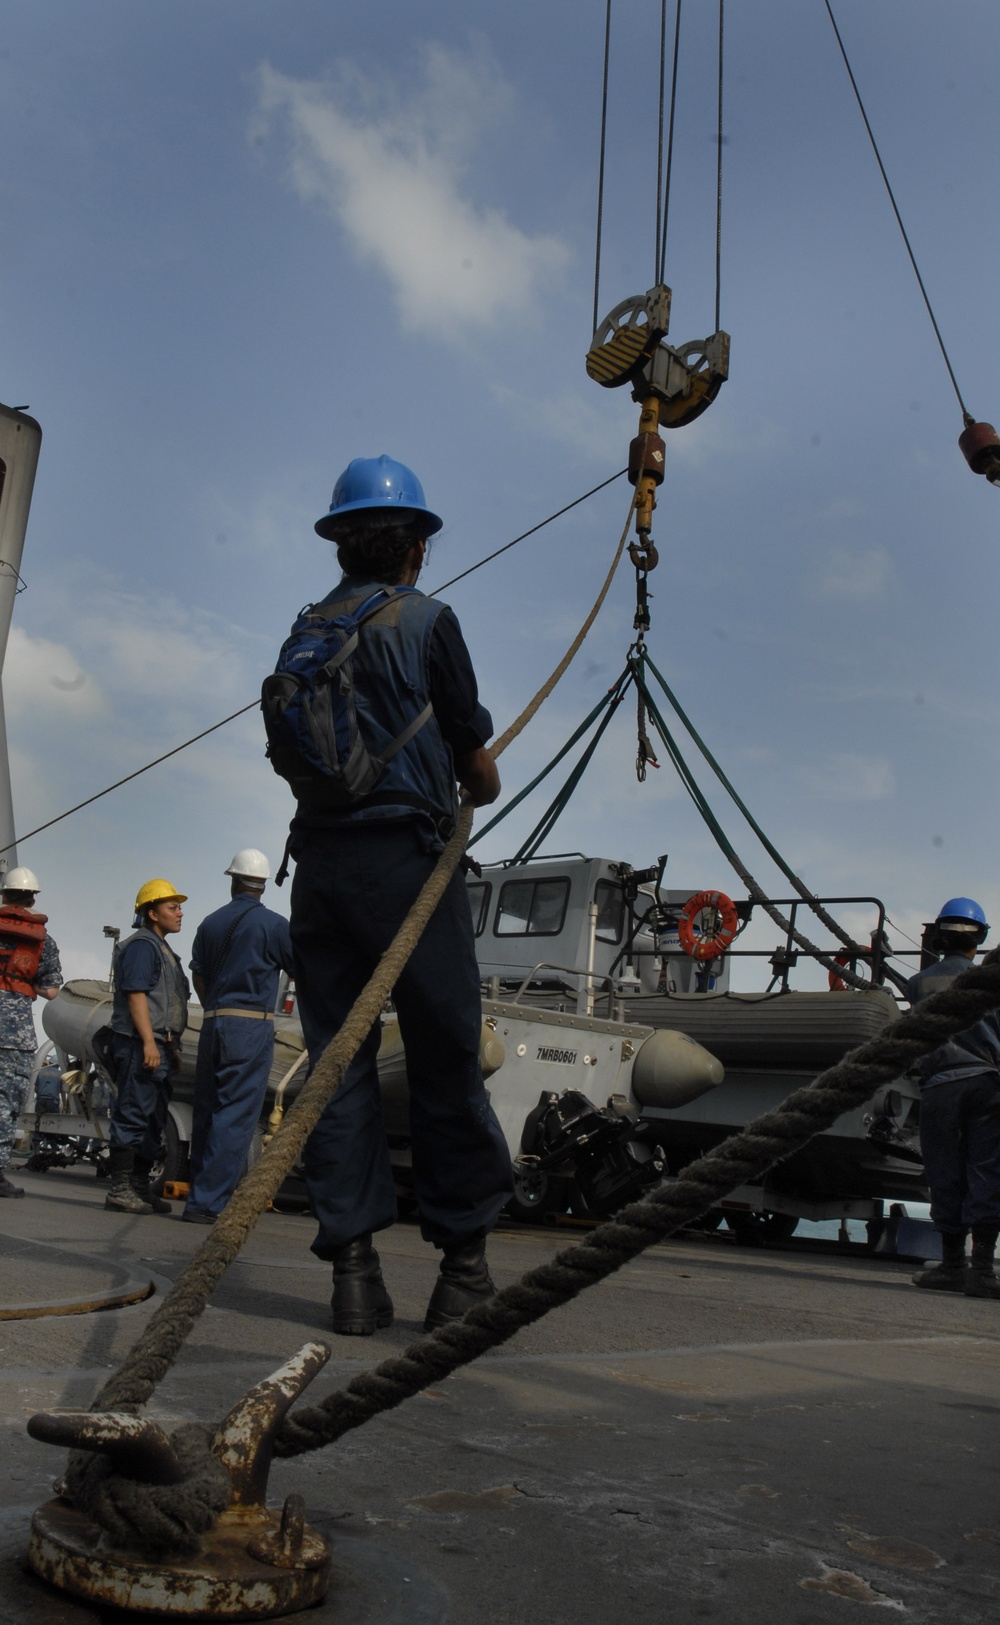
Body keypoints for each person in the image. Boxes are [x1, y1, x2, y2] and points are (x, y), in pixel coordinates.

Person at [275, 453, 512, 1336]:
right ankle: (462, 1274)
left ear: (340, 545)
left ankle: (354, 1278)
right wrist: (475, 784)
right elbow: (475, 768)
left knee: (337, 1068)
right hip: (409, 864)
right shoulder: (429, 622)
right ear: (414, 547)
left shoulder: (304, 629)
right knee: (448, 1056)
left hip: (323, 873)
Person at [183, 849, 294, 1224]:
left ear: (233, 880)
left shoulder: (209, 923)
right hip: (249, 1027)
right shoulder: (275, 925)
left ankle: (198, 1191)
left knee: (208, 1111)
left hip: (213, 1022)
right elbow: (301, 967)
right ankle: (206, 1202)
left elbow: (198, 973)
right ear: (263, 885)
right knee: (235, 1114)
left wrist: (213, 1003)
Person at [908, 896, 1000, 1298]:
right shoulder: (992, 980)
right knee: (988, 1173)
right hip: (988, 1084)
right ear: (979, 939)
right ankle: (982, 1272)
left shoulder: (920, 983)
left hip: (941, 1085)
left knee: (945, 1172)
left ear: (937, 937)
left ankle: (950, 1265)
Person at [105, 878, 189, 1215]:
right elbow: (136, 995)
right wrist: (149, 1042)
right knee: (133, 1113)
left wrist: (170, 1047)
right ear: (152, 913)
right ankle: (121, 1189)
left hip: (159, 1046)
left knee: (153, 1119)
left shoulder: (163, 949)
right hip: (140, 1045)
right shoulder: (142, 946)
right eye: (173, 907)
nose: (180, 913)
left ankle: (139, 1186)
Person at [0, 866, 62, 1198]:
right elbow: (51, 991)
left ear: (4, 894)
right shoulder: (43, 941)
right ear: (32, 897)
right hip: (14, 1036)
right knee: (6, 1102)